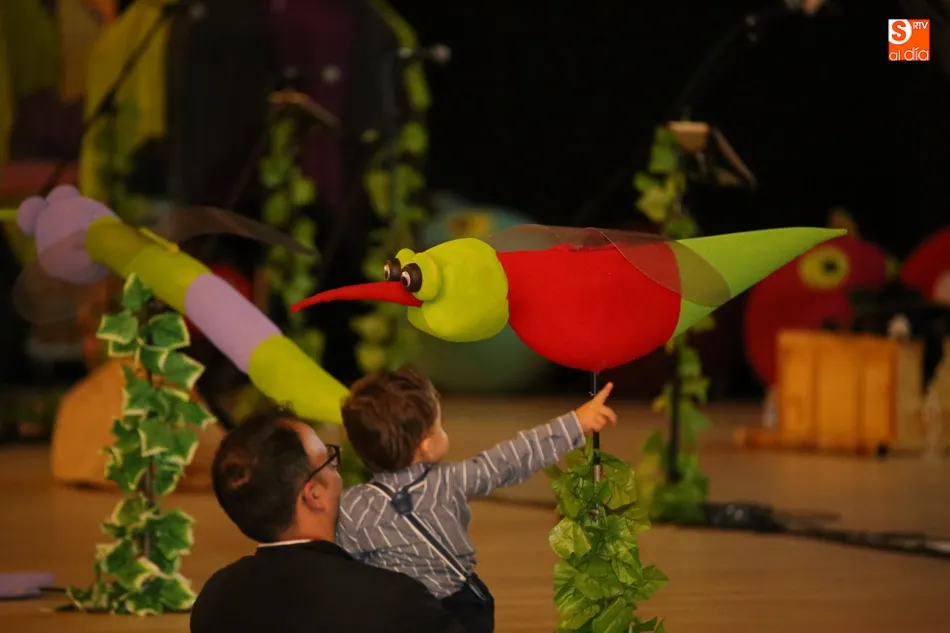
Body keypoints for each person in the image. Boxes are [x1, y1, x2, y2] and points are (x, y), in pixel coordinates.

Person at [337, 367, 618, 633]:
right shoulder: (449, 483)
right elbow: (512, 459)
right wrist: (575, 424)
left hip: (397, 616)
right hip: (459, 610)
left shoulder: (352, 509)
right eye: (439, 425)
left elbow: (340, 568)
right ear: (426, 444)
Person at [191, 405, 464, 633]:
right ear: (314, 495)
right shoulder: (394, 599)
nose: (340, 476)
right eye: (330, 462)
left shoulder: (215, 601)